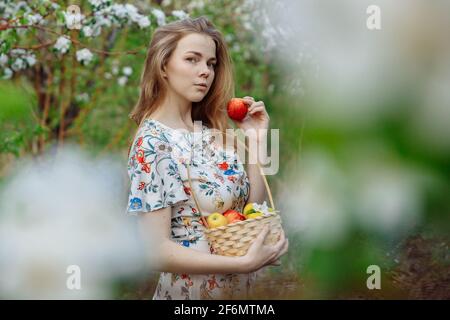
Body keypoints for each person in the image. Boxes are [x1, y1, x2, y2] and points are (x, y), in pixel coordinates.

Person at [126, 16, 288, 300]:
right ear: (163, 66)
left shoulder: (211, 134)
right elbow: (156, 251)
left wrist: (257, 141)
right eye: (192, 59)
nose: (205, 72)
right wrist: (242, 264)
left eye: (211, 64)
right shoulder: (152, 143)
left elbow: (249, 210)